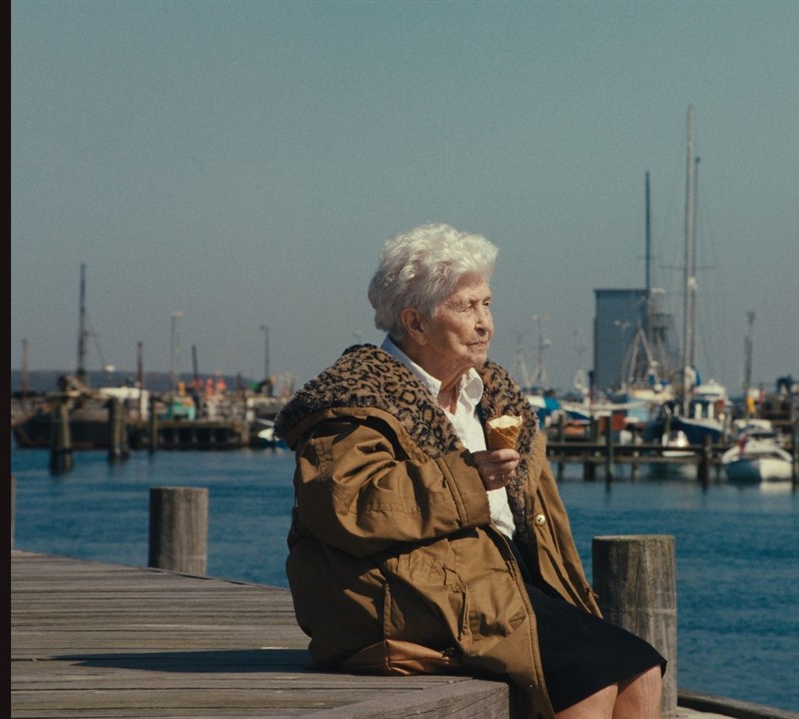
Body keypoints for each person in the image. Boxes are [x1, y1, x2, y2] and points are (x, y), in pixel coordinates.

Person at [273, 223, 665, 719]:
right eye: (466, 307)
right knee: (589, 677)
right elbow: (347, 505)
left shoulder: (496, 397)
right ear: (414, 323)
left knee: (642, 669)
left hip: (500, 582)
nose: (486, 324)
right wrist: (467, 477)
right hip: (408, 593)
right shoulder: (354, 401)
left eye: (487, 304)